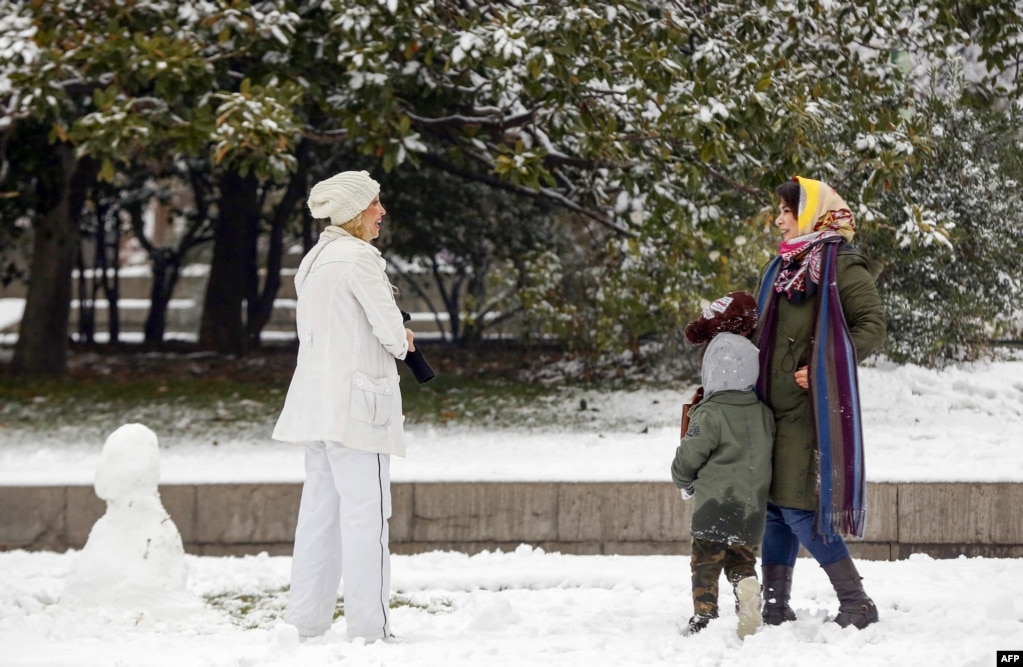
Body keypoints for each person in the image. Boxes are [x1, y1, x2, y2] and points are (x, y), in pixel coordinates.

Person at [272, 169, 415, 642]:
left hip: (317, 407)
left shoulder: (313, 260)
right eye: (375, 203)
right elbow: (393, 338)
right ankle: (371, 630)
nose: (382, 212)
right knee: (366, 518)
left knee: (319, 516)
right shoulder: (360, 259)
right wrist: (405, 336)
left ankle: (307, 622)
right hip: (357, 413)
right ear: (355, 210)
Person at [752, 176, 886, 630]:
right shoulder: (780, 265)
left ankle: (857, 602)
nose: (779, 219)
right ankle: (774, 605)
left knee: (799, 508)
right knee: (773, 506)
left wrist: (825, 366)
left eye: (787, 212)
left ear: (809, 213)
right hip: (766, 408)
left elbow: (872, 324)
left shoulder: (842, 264)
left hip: (810, 412)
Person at [671, 291, 775, 639]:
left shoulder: (710, 412)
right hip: (751, 505)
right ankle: (747, 589)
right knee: (741, 559)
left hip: (714, 502)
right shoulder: (763, 413)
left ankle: (704, 614)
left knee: (705, 561)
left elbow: (691, 454)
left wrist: (682, 478)